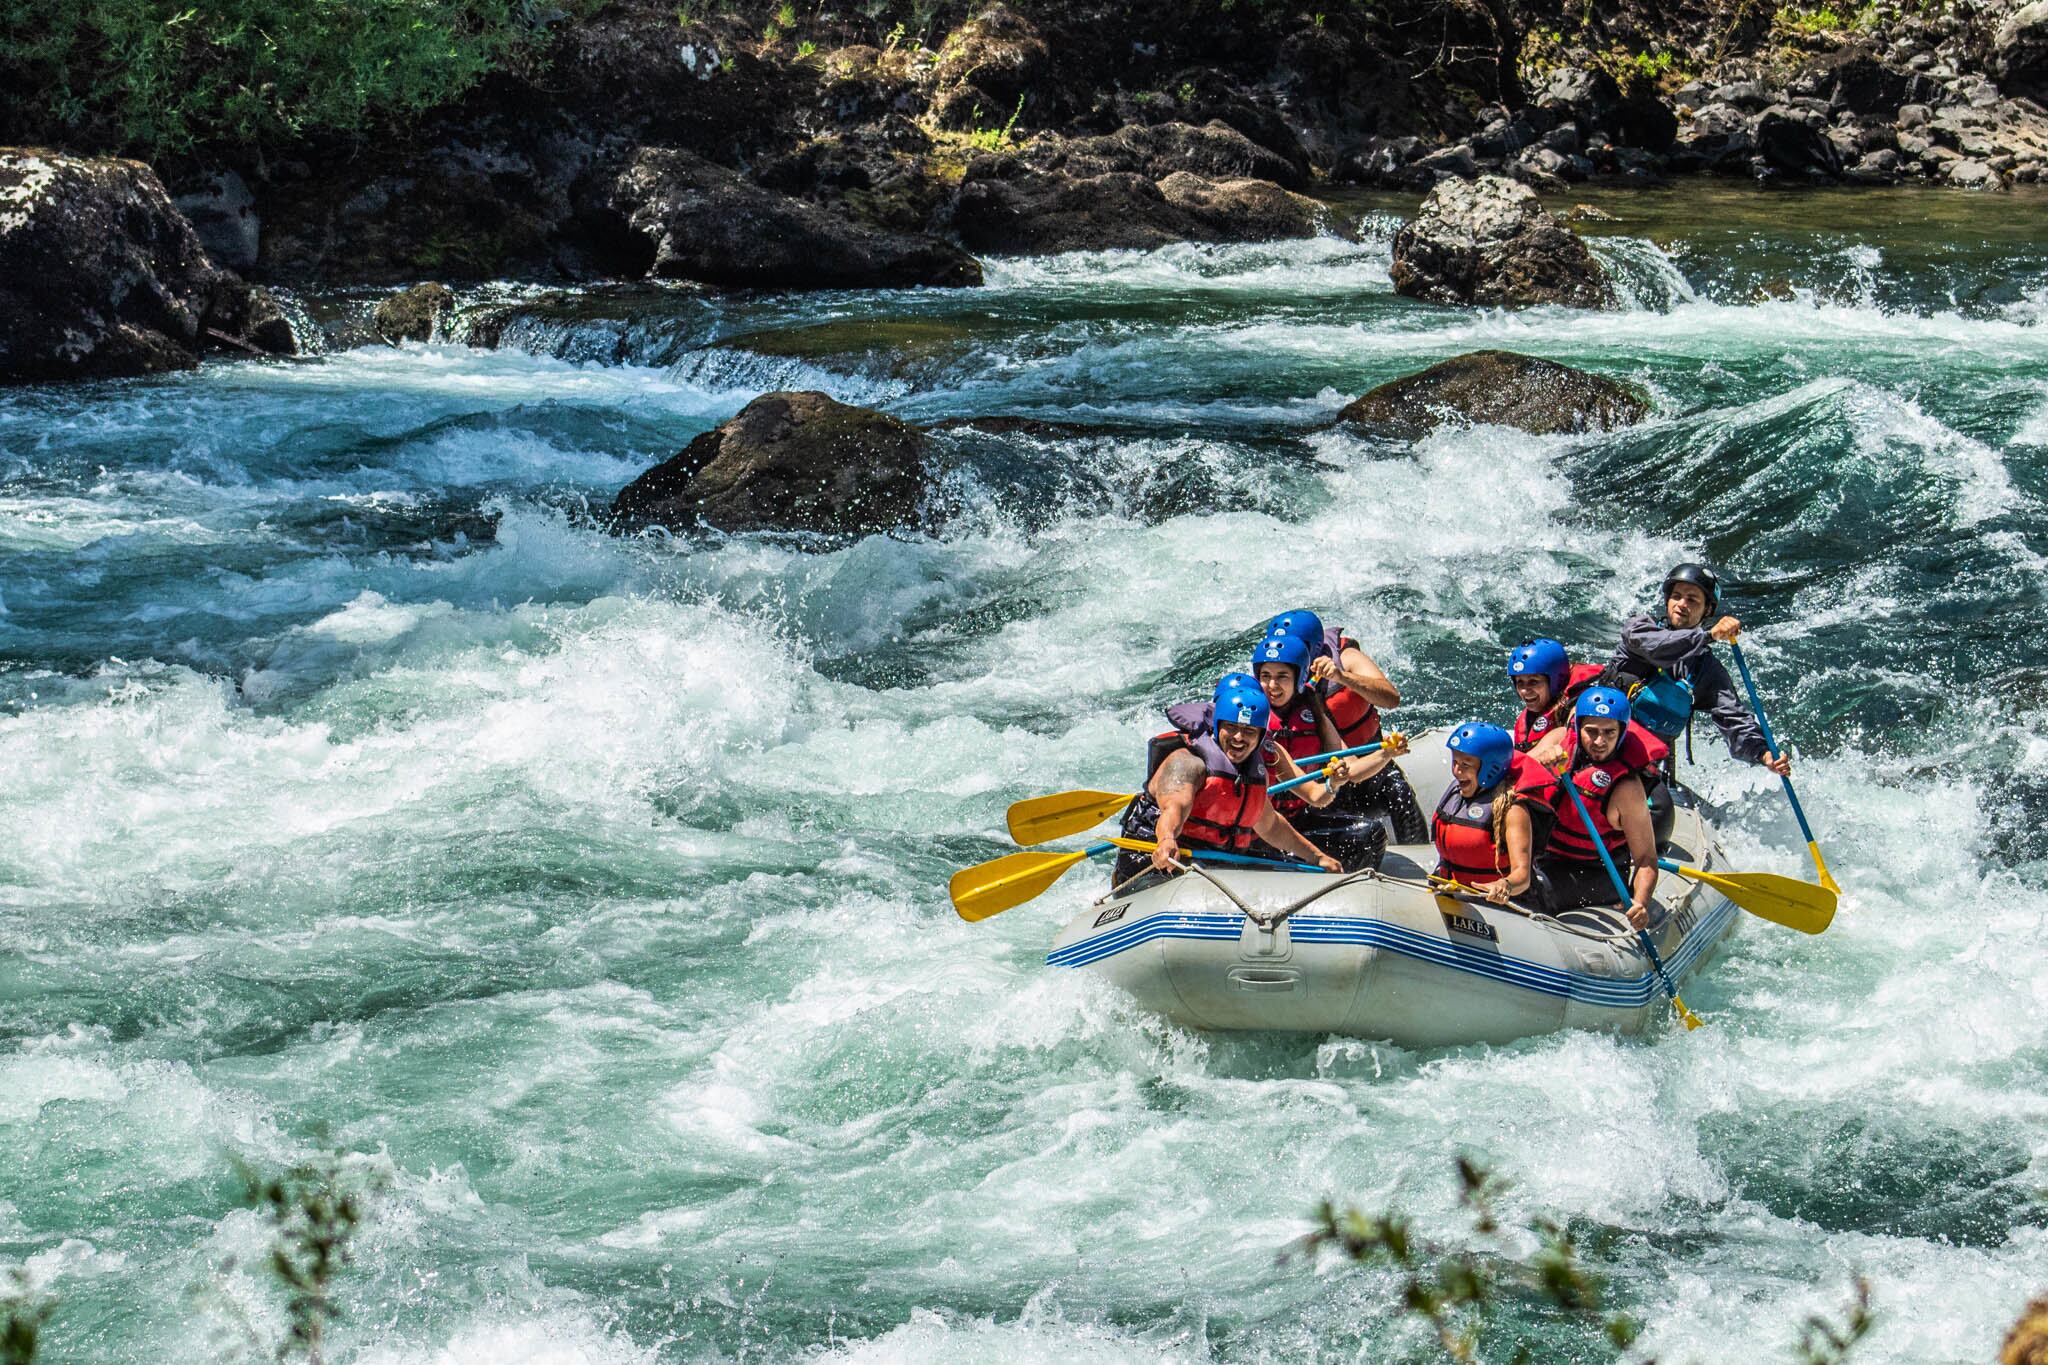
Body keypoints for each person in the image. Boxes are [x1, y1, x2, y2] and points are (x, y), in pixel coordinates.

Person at [1115, 676, 1341, 887]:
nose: (1239, 737)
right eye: (1231, 728)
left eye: (1249, 730)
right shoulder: (1187, 763)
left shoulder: (1253, 771)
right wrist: (1166, 839)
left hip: (1213, 861)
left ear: (1261, 736)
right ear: (1217, 726)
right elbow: (1174, 807)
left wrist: (1318, 857)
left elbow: (1270, 824)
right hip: (1157, 856)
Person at [1603, 563, 1792, 778]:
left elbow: (1733, 718)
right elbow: (1660, 647)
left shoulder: (1705, 669)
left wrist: (1764, 754)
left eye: (1692, 599)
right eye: (1676, 596)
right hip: (1596, 735)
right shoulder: (1640, 627)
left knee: (1661, 810)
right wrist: (1708, 635)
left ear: (1707, 610)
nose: (1682, 604)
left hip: (1642, 758)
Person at [1267, 610, 1429, 845]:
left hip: (1368, 761)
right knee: (1358, 832)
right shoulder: (1275, 685)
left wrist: (1342, 677)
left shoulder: (1346, 657)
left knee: (1399, 794)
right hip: (1320, 777)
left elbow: (1391, 699)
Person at [1250, 631, 1406, 871]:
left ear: (1298, 678)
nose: (1272, 686)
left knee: (1371, 833)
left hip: (1299, 817)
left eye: (1282, 676)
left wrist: (1386, 753)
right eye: (1265, 676)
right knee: (1366, 836)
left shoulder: (1312, 710)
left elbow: (1352, 769)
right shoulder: (1252, 722)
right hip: (1262, 828)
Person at [1538, 687, 1667, 927]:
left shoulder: (1627, 789)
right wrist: (1539, 764)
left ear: (1622, 733)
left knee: (1533, 889)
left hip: (1595, 874)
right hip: (1545, 856)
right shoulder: (1557, 740)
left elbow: (1646, 859)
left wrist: (1640, 903)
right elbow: (1511, 780)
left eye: (1609, 732)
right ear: (1578, 728)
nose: (1599, 741)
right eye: (1591, 731)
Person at [1430, 723, 1558, 909]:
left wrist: (1504, 885)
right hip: (1459, 894)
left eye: (1466, 764)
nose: (1457, 771)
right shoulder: (1455, 792)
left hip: (1506, 904)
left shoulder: (1512, 809)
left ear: (1491, 768)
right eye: (1455, 762)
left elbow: (1522, 875)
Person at [1506, 638, 1603, 751]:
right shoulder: (1532, 715)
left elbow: (1563, 736)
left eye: (1533, 681)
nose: (1524, 691)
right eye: (1520, 682)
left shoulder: (1581, 707)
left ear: (1557, 681)